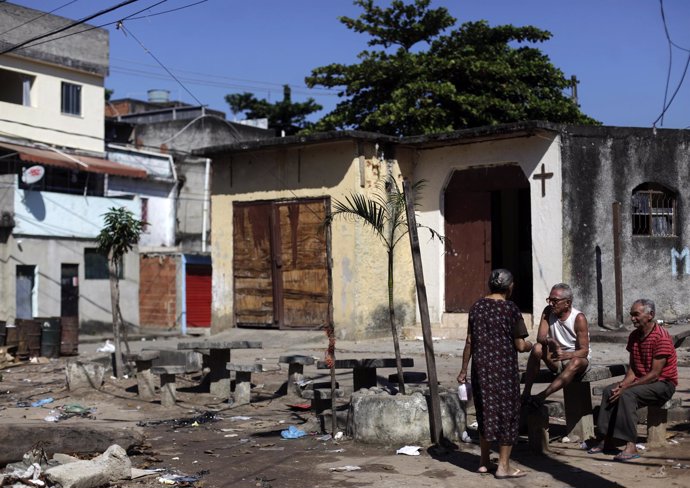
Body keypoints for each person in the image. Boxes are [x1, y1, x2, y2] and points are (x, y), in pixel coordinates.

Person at [457, 269, 533, 479]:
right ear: (509, 287)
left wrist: (463, 369)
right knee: (507, 415)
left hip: (480, 369)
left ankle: (483, 462)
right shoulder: (511, 309)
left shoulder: (477, 307)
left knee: (485, 411)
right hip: (504, 370)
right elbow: (519, 344)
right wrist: (530, 346)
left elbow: (469, 342)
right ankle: (503, 466)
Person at [590, 299, 677, 461]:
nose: (632, 318)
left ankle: (631, 445)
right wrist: (623, 384)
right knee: (610, 390)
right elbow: (632, 369)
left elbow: (655, 374)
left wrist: (626, 389)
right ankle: (605, 439)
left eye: (636, 315)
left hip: (663, 384)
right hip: (643, 380)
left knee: (628, 395)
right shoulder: (634, 336)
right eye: (631, 315)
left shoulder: (661, 337)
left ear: (650, 315)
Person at [521, 283, 590, 408]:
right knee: (537, 348)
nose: (551, 304)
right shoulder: (548, 311)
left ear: (567, 303)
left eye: (555, 301)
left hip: (576, 358)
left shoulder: (578, 318)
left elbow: (584, 351)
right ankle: (526, 393)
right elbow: (540, 338)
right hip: (557, 358)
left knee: (575, 362)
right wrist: (552, 342)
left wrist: (568, 355)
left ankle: (543, 395)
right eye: (550, 300)